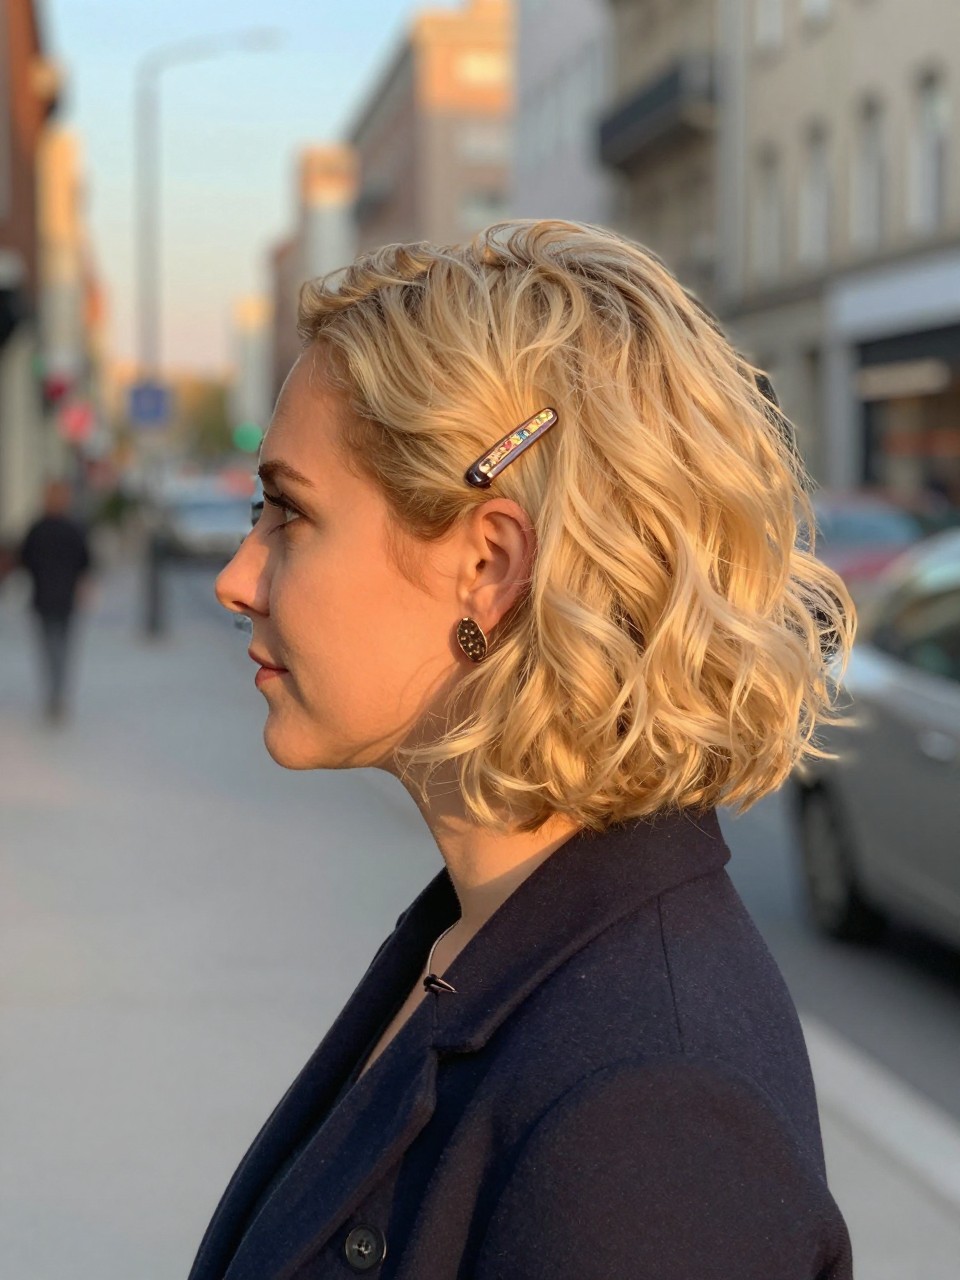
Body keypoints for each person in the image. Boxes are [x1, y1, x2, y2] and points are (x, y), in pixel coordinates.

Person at [193, 219, 856, 1279]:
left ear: (490, 564)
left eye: (287, 513)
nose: (236, 575)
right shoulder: (483, 932)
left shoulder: (651, 1116)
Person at [17, 478, 92, 723]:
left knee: (48, 648)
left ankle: (53, 693)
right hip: (65, 598)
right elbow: (86, 562)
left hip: (42, 596)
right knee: (63, 649)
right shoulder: (74, 527)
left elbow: (24, 559)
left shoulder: (37, 528)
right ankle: (58, 694)